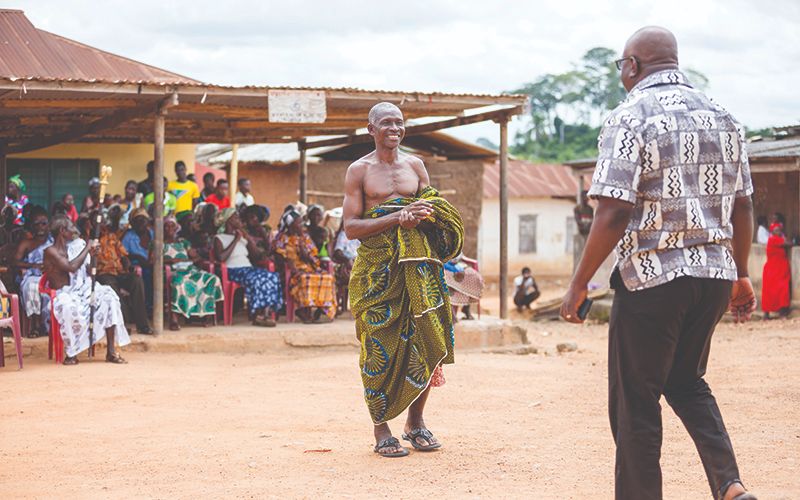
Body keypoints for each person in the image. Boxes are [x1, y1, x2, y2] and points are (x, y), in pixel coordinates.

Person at [560, 27, 757, 500]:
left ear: (632, 65)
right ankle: (730, 486)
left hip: (652, 278)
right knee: (687, 382)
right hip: (712, 276)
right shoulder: (724, 116)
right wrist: (742, 272)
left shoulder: (629, 117)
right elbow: (744, 206)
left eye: (620, 67)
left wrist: (579, 283)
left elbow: (613, 209)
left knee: (636, 404)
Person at [342, 102, 464, 458]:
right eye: (386, 123)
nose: (394, 128)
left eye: (399, 122)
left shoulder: (415, 165)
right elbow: (351, 227)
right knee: (378, 345)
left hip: (419, 268)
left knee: (424, 340)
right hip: (378, 270)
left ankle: (416, 423)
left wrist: (425, 216)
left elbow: (435, 209)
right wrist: (398, 218)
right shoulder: (358, 170)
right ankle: (381, 429)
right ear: (371, 129)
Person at [43, 216, 129, 365]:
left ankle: (111, 352)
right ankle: (72, 353)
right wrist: (87, 248)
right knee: (68, 308)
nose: (75, 231)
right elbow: (71, 267)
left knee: (110, 297)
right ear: (62, 231)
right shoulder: (50, 251)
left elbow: (89, 271)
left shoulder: (75, 247)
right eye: (71, 228)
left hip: (81, 290)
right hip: (63, 293)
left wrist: (93, 255)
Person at [214, 208, 282, 327]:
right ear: (228, 220)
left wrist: (248, 238)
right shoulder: (219, 238)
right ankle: (256, 315)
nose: (239, 220)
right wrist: (235, 240)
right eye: (236, 217)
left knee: (272, 276)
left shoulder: (242, 237)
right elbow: (221, 258)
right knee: (257, 279)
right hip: (233, 270)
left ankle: (265, 314)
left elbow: (257, 255)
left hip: (247, 268)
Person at [96, 206, 152, 335]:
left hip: (120, 272)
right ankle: (122, 324)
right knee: (112, 287)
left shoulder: (111, 236)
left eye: (103, 222)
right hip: (104, 273)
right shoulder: (89, 240)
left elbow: (123, 254)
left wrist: (129, 266)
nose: (102, 224)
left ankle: (142, 325)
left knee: (136, 280)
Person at [274, 209, 337, 323]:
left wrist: (306, 255)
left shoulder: (305, 237)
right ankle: (303, 311)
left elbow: (314, 257)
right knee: (305, 279)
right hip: (292, 271)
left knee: (327, 277)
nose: (301, 225)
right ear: (291, 224)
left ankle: (322, 311)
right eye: (298, 223)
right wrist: (293, 267)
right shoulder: (282, 238)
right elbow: (280, 257)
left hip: (309, 268)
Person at [161, 216, 222, 330]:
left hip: (189, 269)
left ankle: (207, 315)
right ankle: (174, 318)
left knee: (212, 279)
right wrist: (169, 261)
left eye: (172, 225)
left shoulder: (183, 242)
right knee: (179, 282)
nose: (169, 228)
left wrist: (186, 261)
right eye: (166, 226)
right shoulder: (159, 244)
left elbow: (197, 257)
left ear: (176, 228)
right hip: (171, 271)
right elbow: (151, 261)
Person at [14, 206, 52, 337]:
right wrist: (33, 265)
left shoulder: (54, 241)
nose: (40, 227)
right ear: (31, 226)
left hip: (51, 275)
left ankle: (50, 325)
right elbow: (15, 262)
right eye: (37, 224)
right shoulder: (27, 243)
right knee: (32, 287)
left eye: (44, 223)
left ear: (49, 225)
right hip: (32, 275)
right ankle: (35, 326)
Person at [122, 209, 154, 313]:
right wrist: (137, 257)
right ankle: (146, 307)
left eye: (143, 219)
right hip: (137, 266)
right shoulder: (129, 236)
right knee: (145, 275)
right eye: (137, 220)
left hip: (153, 264)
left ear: (147, 221)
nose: (141, 222)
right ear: (132, 223)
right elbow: (123, 254)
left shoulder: (153, 234)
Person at [761, 222, 791, 319]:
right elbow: (789, 244)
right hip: (772, 270)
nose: (778, 232)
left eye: (779, 230)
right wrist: (785, 237)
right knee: (770, 292)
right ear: (772, 231)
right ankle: (767, 314)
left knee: (783, 290)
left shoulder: (778, 239)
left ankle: (782, 312)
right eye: (776, 230)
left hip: (780, 270)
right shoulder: (773, 239)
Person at [443, 254, 484, 321]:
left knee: (474, 276)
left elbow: (459, 255)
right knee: (448, 281)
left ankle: (466, 308)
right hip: (444, 266)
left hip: (457, 265)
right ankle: (452, 314)